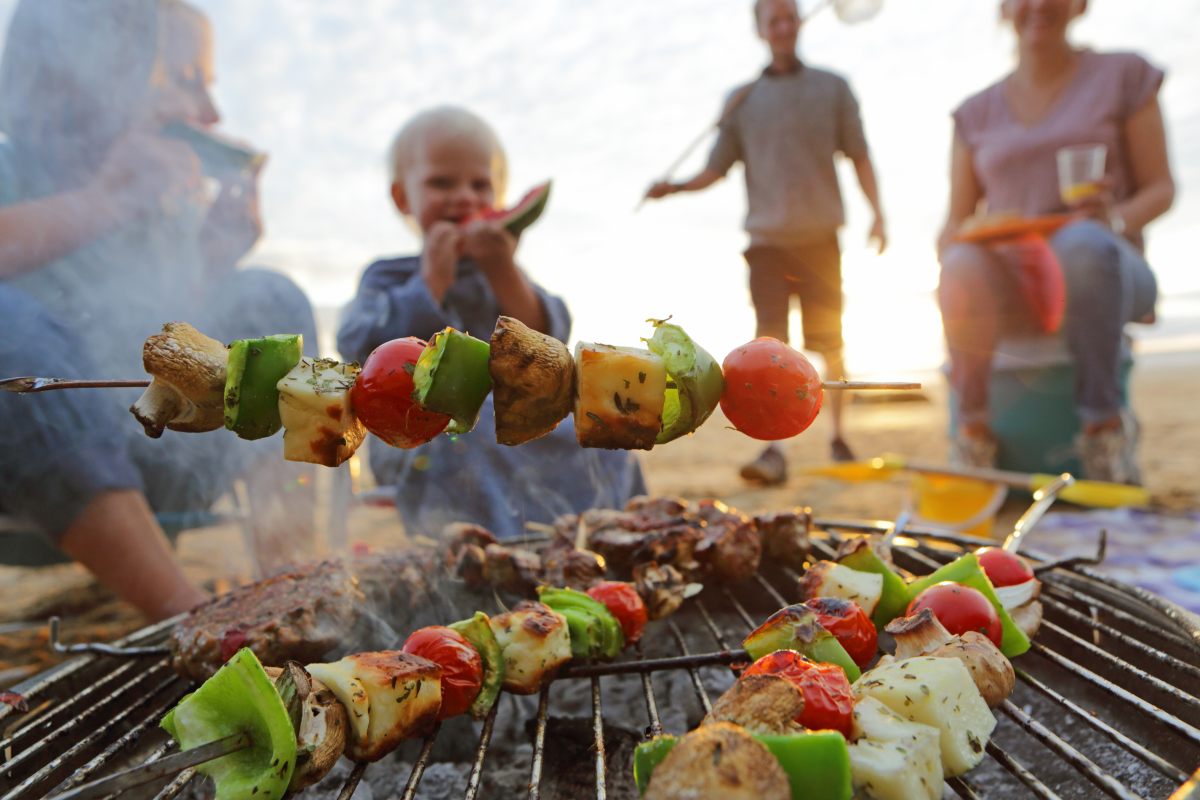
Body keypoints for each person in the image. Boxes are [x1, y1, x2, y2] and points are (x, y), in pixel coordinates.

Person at [0, 0, 318, 619]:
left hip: (154, 453)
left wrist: (214, 257)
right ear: (97, 73)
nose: (212, 114)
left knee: (271, 300)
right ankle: (189, 616)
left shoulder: (166, 204)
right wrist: (101, 202)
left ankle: (292, 590)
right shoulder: (13, 165)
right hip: (30, 468)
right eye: (185, 81)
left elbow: (169, 350)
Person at [337, 106, 646, 540]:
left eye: (480, 185)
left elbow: (551, 345)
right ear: (403, 197)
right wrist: (430, 283)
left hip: (521, 430)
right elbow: (358, 343)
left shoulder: (501, 274)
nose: (464, 196)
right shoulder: (387, 275)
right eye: (441, 182)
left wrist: (504, 271)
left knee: (604, 430)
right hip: (423, 437)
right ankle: (497, 556)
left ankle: (607, 539)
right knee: (468, 434)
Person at [643, 0, 887, 485]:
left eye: (788, 15)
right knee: (769, 345)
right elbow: (715, 169)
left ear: (799, 22)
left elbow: (859, 155)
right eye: (772, 18)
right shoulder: (740, 100)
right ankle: (775, 451)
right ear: (760, 30)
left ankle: (838, 436)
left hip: (820, 237)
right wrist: (675, 188)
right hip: (766, 242)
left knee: (831, 344)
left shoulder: (833, 88)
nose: (782, 24)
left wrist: (879, 213)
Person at [936, 0, 1174, 483]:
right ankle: (974, 436)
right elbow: (953, 226)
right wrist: (969, 248)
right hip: (1014, 282)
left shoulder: (1124, 75)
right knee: (961, 262)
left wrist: (1114, 220)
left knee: (1082, 245)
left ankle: (1103, 435)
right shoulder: (974, 114)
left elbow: (1161, 187)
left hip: (1106, 263)